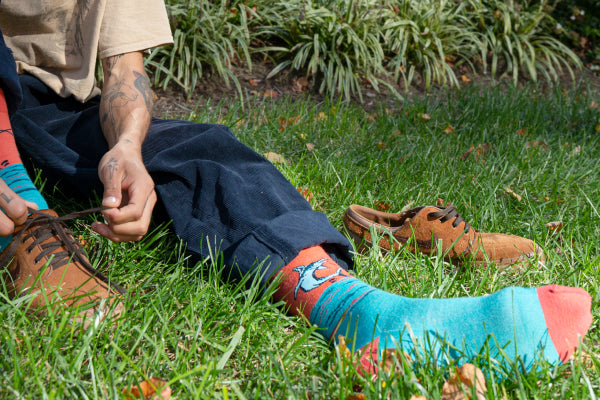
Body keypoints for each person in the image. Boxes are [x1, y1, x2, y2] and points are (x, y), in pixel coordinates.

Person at [0, 0, 592, 375]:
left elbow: (124, 72)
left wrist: (126, 146)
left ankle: (364, 315)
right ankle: (18, 209)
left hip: (55, 111)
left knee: (208, 150)